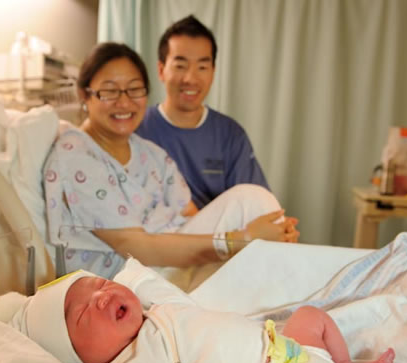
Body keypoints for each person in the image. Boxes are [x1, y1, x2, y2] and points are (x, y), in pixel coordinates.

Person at [43, 42, 299, 280]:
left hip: (177, 260)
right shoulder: (75, 154)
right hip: (130, 277)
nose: (124, 102)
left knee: (254, 203)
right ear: (84, 94)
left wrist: (256, 237)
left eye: (134, 89)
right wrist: (240, 239)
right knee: (251, 204)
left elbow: (191, 217)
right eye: (109, 91)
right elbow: (136, 247)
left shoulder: (151, 154)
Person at [9, 259, 395, 363]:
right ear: (79, 358)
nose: (102, 297)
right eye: (82, 315)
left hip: (293, 350)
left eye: (102, 284)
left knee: (311, 316)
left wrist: (135, 279)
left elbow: (152, 284)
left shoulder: (156, 309)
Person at [136, 15, 270, 209]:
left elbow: (255, 203)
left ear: (213, 72)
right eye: (180, 66)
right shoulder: (137, 128)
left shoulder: (230, 135)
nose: (190, 79)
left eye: (202, 67)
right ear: (161, 70)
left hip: (219, 228)